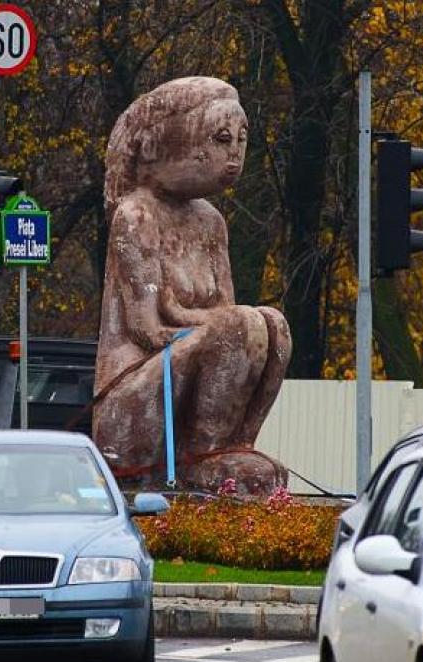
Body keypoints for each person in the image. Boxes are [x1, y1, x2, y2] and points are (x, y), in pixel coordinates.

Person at [94, 77, 291, 495]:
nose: (234, 151)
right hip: (134, 398)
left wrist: (187, 315)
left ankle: (235, 444)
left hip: (180, 364)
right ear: (154, 146)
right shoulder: (136, 214)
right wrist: (203, 325)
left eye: (240, 138)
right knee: (239, 326)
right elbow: (148, 330)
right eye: (220, 138)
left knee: (273, 324)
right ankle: (200, 454)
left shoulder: (211, 222)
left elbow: (233, 328)